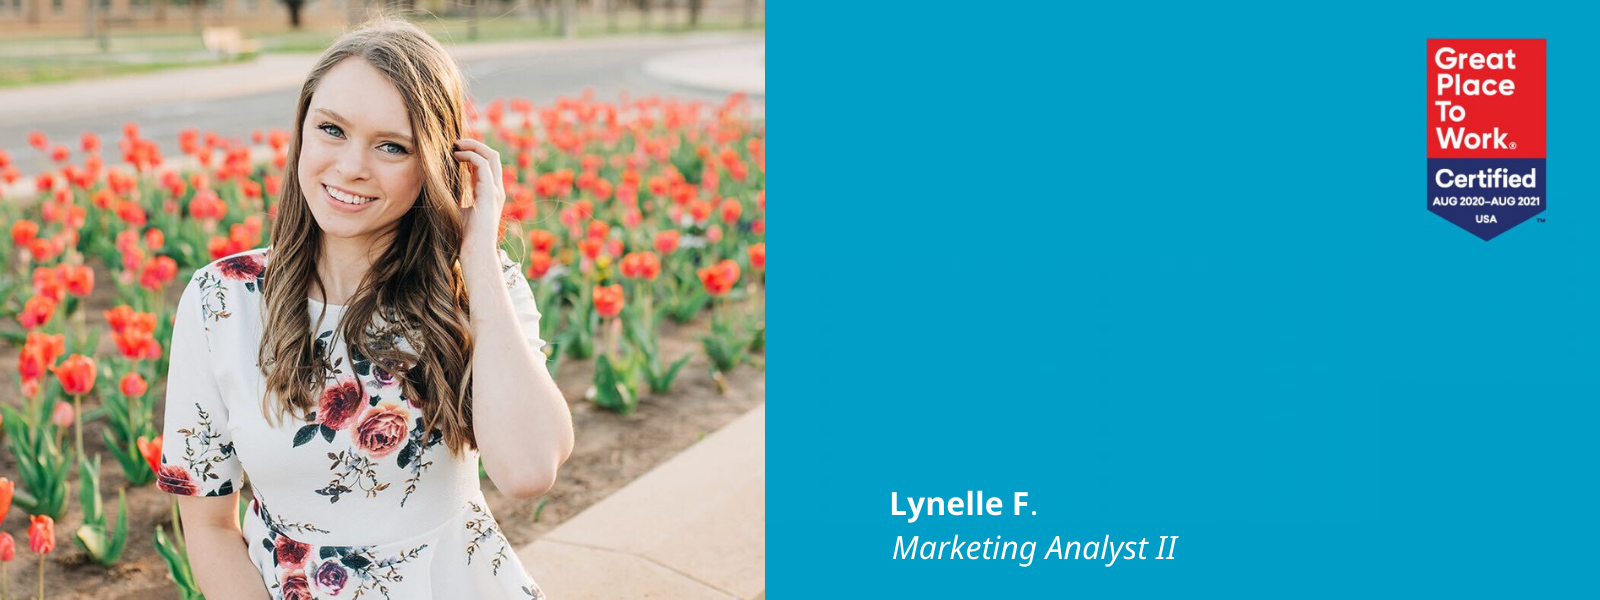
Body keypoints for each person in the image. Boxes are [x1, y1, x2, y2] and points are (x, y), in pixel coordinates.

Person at [155, 15, 572, 600]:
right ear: (302, 129)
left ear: (434, 164)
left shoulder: (477, 289)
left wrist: (477, 255)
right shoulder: (222, 300)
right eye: (332, 129)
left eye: (391, 146)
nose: (352, 166)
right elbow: (206, 524)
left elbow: (529, 472)